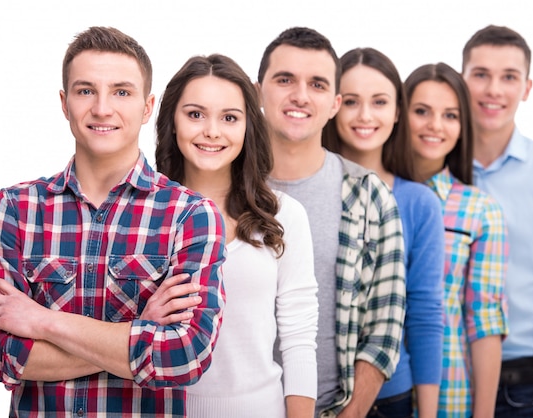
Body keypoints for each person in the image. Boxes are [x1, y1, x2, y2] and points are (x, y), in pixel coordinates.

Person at [0, 26, 226, 418]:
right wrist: (139, 332)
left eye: (121, 91)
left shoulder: (189, 215)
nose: (102, 108)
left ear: (147, 106)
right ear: (64, 102)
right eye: (86, 90)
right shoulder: (13, 209)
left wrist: (42, 322)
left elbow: (184, 355)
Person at [153, 53, 319, 417]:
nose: (212, 131)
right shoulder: (145, 214)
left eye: (229, 117)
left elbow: (299, 338)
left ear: (247, 127)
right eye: (195, 114)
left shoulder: (285, 215)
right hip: (164, 409)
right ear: (173, 121)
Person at [256, 26, 407, 417]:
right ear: (258, 91)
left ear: (335, 103)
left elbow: (384, 325)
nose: (300, 95)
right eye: (285, 79)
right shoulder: (221, 187)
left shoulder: (370, 195)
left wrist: (352, 413)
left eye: (317, 84)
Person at [322, 47, 444, 418]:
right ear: (333, 104)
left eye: (379, 102)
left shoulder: (419, 203)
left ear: (396, 113)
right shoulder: (303, 189)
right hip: (303, 393)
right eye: (352, 102)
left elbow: (424, 314)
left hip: (388, 399)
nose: (365, 116)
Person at [461, 25, 533, 418]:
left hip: (517, 394)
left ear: (526, 88)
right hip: (434, 383)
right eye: (481, 74)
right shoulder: (431, 166)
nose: (494, 89)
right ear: (462, 81)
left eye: (509, 77)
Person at [404, 62, 508, 418]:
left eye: (450, 115)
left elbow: (484, 320)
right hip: (372, 394)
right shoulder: (374, 193)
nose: (435, 125)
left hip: (450, 395)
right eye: (422, 112)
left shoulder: (480, 210)